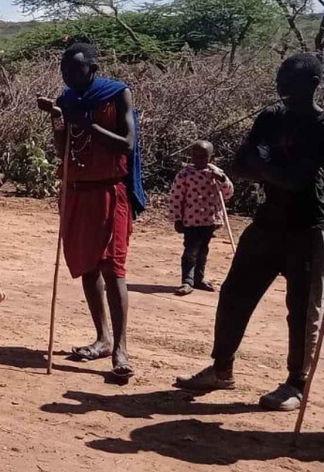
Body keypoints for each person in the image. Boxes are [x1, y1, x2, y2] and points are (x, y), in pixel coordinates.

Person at [177, 53, 324, 412]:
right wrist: (269, 169)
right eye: (280, 78)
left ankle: (296, 383)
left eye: (289, 81)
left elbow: (298, 179)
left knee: (302, 309)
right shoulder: (271, 117)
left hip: (308, 228)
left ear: (313, 85)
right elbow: (240, 165)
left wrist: (264, 164)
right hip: (267, 222)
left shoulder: (321, 125)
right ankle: (221, 368)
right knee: (234, 294)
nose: (281, 86)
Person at [36, 42, 145, 382]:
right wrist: (58, 118)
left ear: (93, 68)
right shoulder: (67, 100)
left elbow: (127, 143)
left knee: (113, 268)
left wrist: (87, 123)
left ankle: (121, 348)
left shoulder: (117, 94)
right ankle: (102, 338)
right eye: (64, 71)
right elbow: (62, 150)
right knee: (87, 266)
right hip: (77, 191)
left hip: (110, 191)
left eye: (75, 70)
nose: (68, 76)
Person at [169, 140, 234, 295]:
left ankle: (198, 279)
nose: (198, 159)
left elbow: (228, 193)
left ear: (211, 156)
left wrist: (222, 179)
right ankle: (187, 281)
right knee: (190, 250)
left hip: (209, 220)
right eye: (195, 155)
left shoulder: (216, 173)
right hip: (191, 221)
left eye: (203, 156)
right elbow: (176, 197)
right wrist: (177, 218)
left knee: (203, 250)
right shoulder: (185, 174)